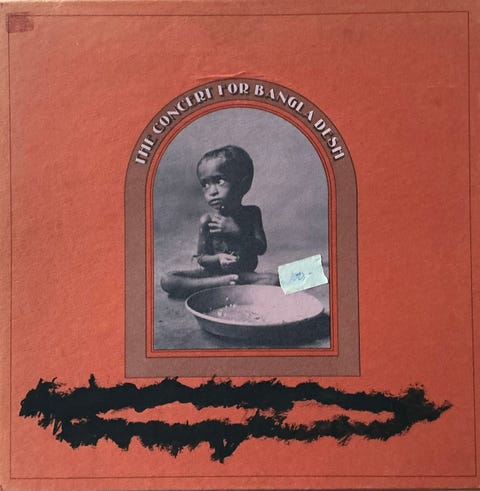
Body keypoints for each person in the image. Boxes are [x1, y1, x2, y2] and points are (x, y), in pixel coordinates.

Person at [160, 145, 279, 298]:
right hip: (212, 275)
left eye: (219, 181)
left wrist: (237, 232)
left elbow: (261, 248)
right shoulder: (207, 221)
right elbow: (202, 258)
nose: (212, 191)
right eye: (205, 185)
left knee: (276, 280)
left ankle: (226, 285)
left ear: (243, 184)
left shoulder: (252, 214)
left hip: (243, 275)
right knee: (168, 280)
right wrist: (219, 258)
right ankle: (221, 284)